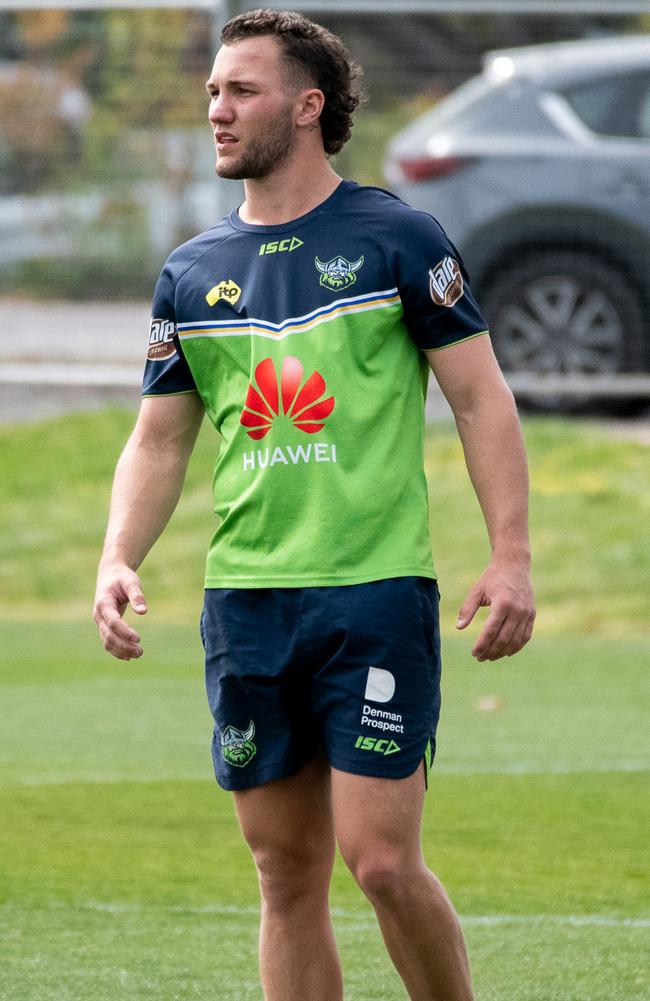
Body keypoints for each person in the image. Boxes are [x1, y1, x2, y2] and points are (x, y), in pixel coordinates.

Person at [93, 9, 535, 1001]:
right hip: (246, 600)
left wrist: (509, 554)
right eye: (211, 89)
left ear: (307, 106)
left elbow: (479, 397)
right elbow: (159, 438)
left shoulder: (397, 237)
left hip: (372, 589)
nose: (216, 108)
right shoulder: (191, 270)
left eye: (238, 90)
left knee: (377, 859)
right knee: (282, 869)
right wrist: (118, 553)